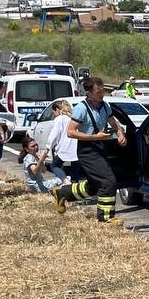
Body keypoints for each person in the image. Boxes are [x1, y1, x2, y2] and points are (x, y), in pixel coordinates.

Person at [51, 76, 127, 223]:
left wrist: (120, 133)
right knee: (108, 181)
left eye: (103, 91)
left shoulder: (105, 106)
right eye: (98, 93)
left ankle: (62, 193)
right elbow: (71, 132)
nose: (102, 95)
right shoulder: (81, 108)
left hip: (101, 147)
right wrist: (95, 137)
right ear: (88, 93)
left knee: (94, 185)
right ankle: (105, 218)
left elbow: (113, 121)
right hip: (87, 150)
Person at [48, 99, 81, 182]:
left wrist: (48, 147)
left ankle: (65, 181)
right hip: (77, 147)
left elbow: (54, 135)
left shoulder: (60, 119)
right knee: (75, 171)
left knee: (55, 165)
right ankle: (74, 188)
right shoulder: (73, 118)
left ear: (57, 110)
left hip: (65, 147)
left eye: (54, 112)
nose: (54, 114)